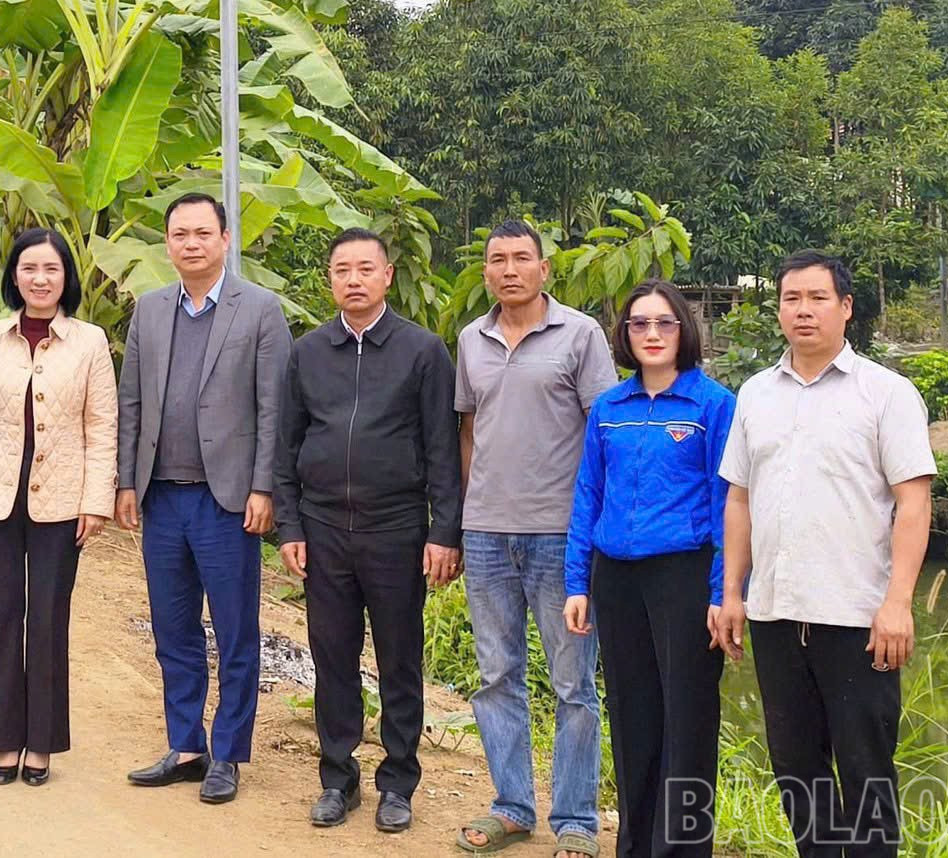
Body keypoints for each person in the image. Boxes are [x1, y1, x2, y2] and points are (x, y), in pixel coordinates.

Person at [714, 251, 935, 858]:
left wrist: (899, 603)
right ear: (779, 309)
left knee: (867, 773)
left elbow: (914, 503)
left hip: (858, 619)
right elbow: (740, 499)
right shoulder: (756, 394)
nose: (803, 310)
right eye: (792, 298)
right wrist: (732, 593)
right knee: (797, 770)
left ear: (846, 307)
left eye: (817, 298)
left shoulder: (886, 393)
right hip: (776, 614)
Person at [275, 228, 462, 834]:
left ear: (386, 276)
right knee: (332, 657)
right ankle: (338, 779)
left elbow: (442, 449)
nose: (353, 280)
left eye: (365, 269)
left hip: (397, 528)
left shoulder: (423, 351)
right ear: (329, 279)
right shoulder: (307, 353)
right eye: (342, 270)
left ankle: (398, 782)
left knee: (399, 658)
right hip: (324, 528)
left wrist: (444, 531)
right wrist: (289, 525)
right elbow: (286, 447)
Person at [115, 192, 291, 806]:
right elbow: (131, 401)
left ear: (224, 239)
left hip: (228, 500)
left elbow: (274, 408)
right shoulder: (150, 309)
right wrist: (126, 481)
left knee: (237, 631)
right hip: (162, 496)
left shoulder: (260, 309)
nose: (190, 244)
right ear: (167, 243)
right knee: (173, 629)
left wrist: (265, 487)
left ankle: (231, 752)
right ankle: (186, 746)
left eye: (201, 233)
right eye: (179, 234)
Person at [454, 220, 616, 858]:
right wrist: (469, 509)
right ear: (486, 272)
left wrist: (593, 527)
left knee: (573, 683)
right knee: (497, 675)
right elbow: (470, 430)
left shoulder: (580, 334)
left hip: (561, 535)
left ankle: (576, 819)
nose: (510, 269)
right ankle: (512, 807)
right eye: (498, 260)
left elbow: (601, 433)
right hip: (486, 534)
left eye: (522, 258)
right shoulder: (471, 339)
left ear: (544, 269)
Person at [563, 280, 736, 858]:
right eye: (640, 323)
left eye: (665, 323)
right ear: (625, 333)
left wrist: (724, 591)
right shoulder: (610, 407)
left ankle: (683, 849)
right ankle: (635, 846)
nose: (653, 334)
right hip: (616, 579)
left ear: (684, 330)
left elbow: (727, 504)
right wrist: (577, 582)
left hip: (683, 578)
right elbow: (588, 494)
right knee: (632, 718)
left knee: (688, 722)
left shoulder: (713, 404)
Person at [0, 228, 117, 787]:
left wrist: (96, 500)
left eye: (51, 269)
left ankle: (40, 743)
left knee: (46, 619)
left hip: (62, 499)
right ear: (14, 276)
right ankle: (4, 741)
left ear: (66, 278)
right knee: (1, 619)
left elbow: (102, 427)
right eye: (29, 269)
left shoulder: (89, 342)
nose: (40, 279)